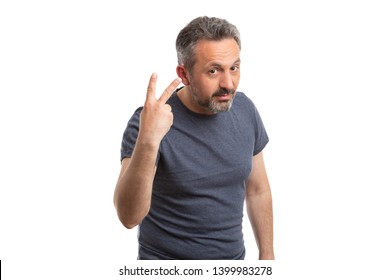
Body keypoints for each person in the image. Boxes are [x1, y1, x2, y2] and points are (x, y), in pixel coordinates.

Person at [114, 16, 274, 260]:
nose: (228, 84)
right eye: (213, 71)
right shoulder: (148, 122)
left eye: (234, 67)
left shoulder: (245, 109)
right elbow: (128, 217)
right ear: (184, 74)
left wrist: (267, 256)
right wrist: (149, 140)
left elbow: (257, 189)